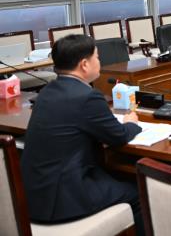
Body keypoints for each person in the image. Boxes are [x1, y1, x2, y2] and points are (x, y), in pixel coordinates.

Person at [21, 35, 144, 235]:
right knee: (140, 192)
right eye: (97, 57)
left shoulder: (46, 92)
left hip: (34, 198)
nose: (99, 62)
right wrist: (131, 123)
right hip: (64, 199)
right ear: (84, 64)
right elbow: (119, 136)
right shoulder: (88, 97)